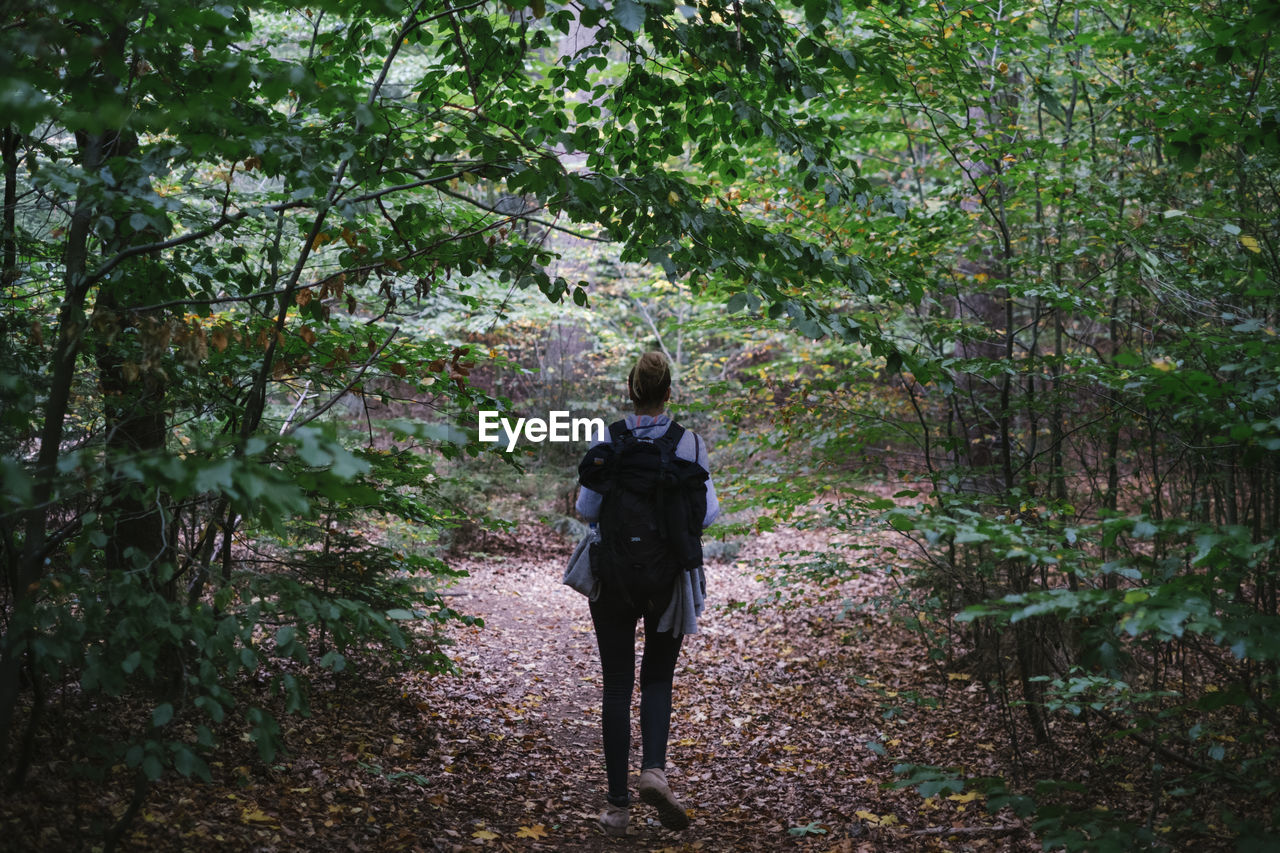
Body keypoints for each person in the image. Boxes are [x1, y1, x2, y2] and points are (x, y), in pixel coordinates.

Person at [575, 351, 720, 836]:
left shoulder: (609, 438)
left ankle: (617, 809)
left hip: (611, 577)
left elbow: (585, 508)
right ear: (668, 393)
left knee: (617, 684)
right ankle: (654, 772)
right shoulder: (691, 444)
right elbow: (707, 515)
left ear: (631, 390)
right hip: (668, 580)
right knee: (658, 678)